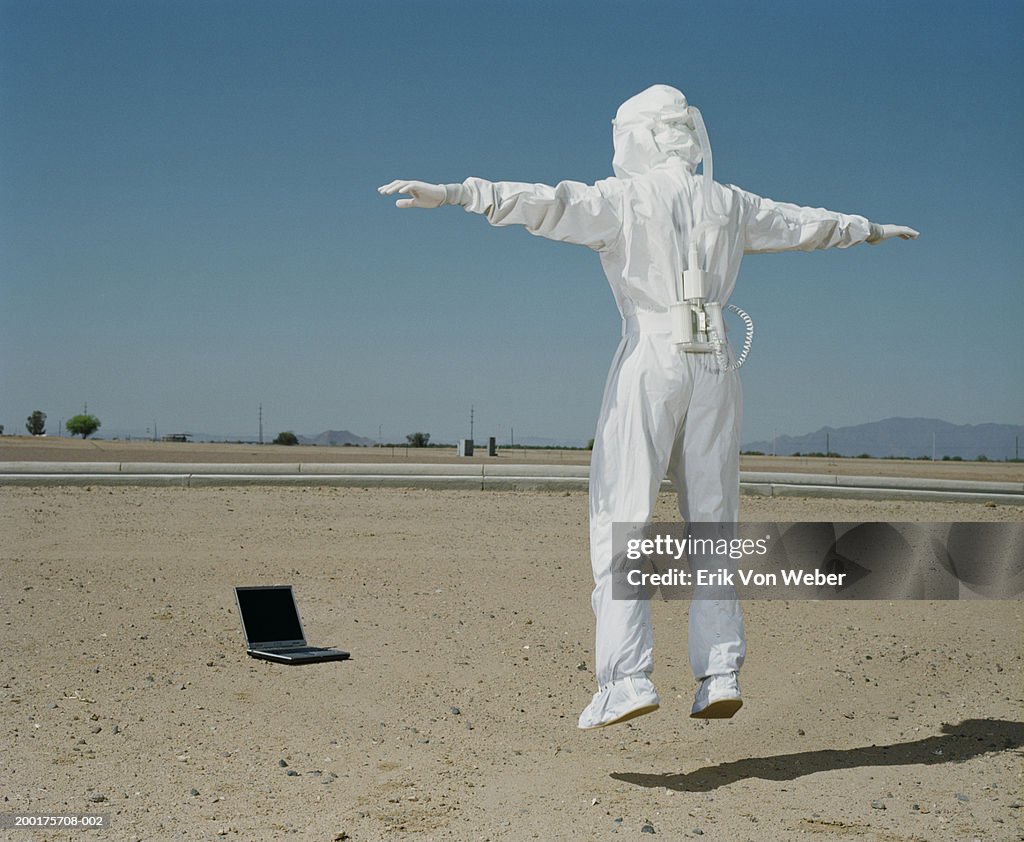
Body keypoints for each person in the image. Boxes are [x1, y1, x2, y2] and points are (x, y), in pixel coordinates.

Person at [378, 84, 917, 730]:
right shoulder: (729, 202)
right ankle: (720, 669)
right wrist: (870, 230)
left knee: (622, 514)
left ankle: (626, 678)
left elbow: (548, 204)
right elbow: (805, 224)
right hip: (716, 361)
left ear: (637, 135)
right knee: (714, 522)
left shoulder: (626, 199)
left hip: (653, 354)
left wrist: (461, 193)